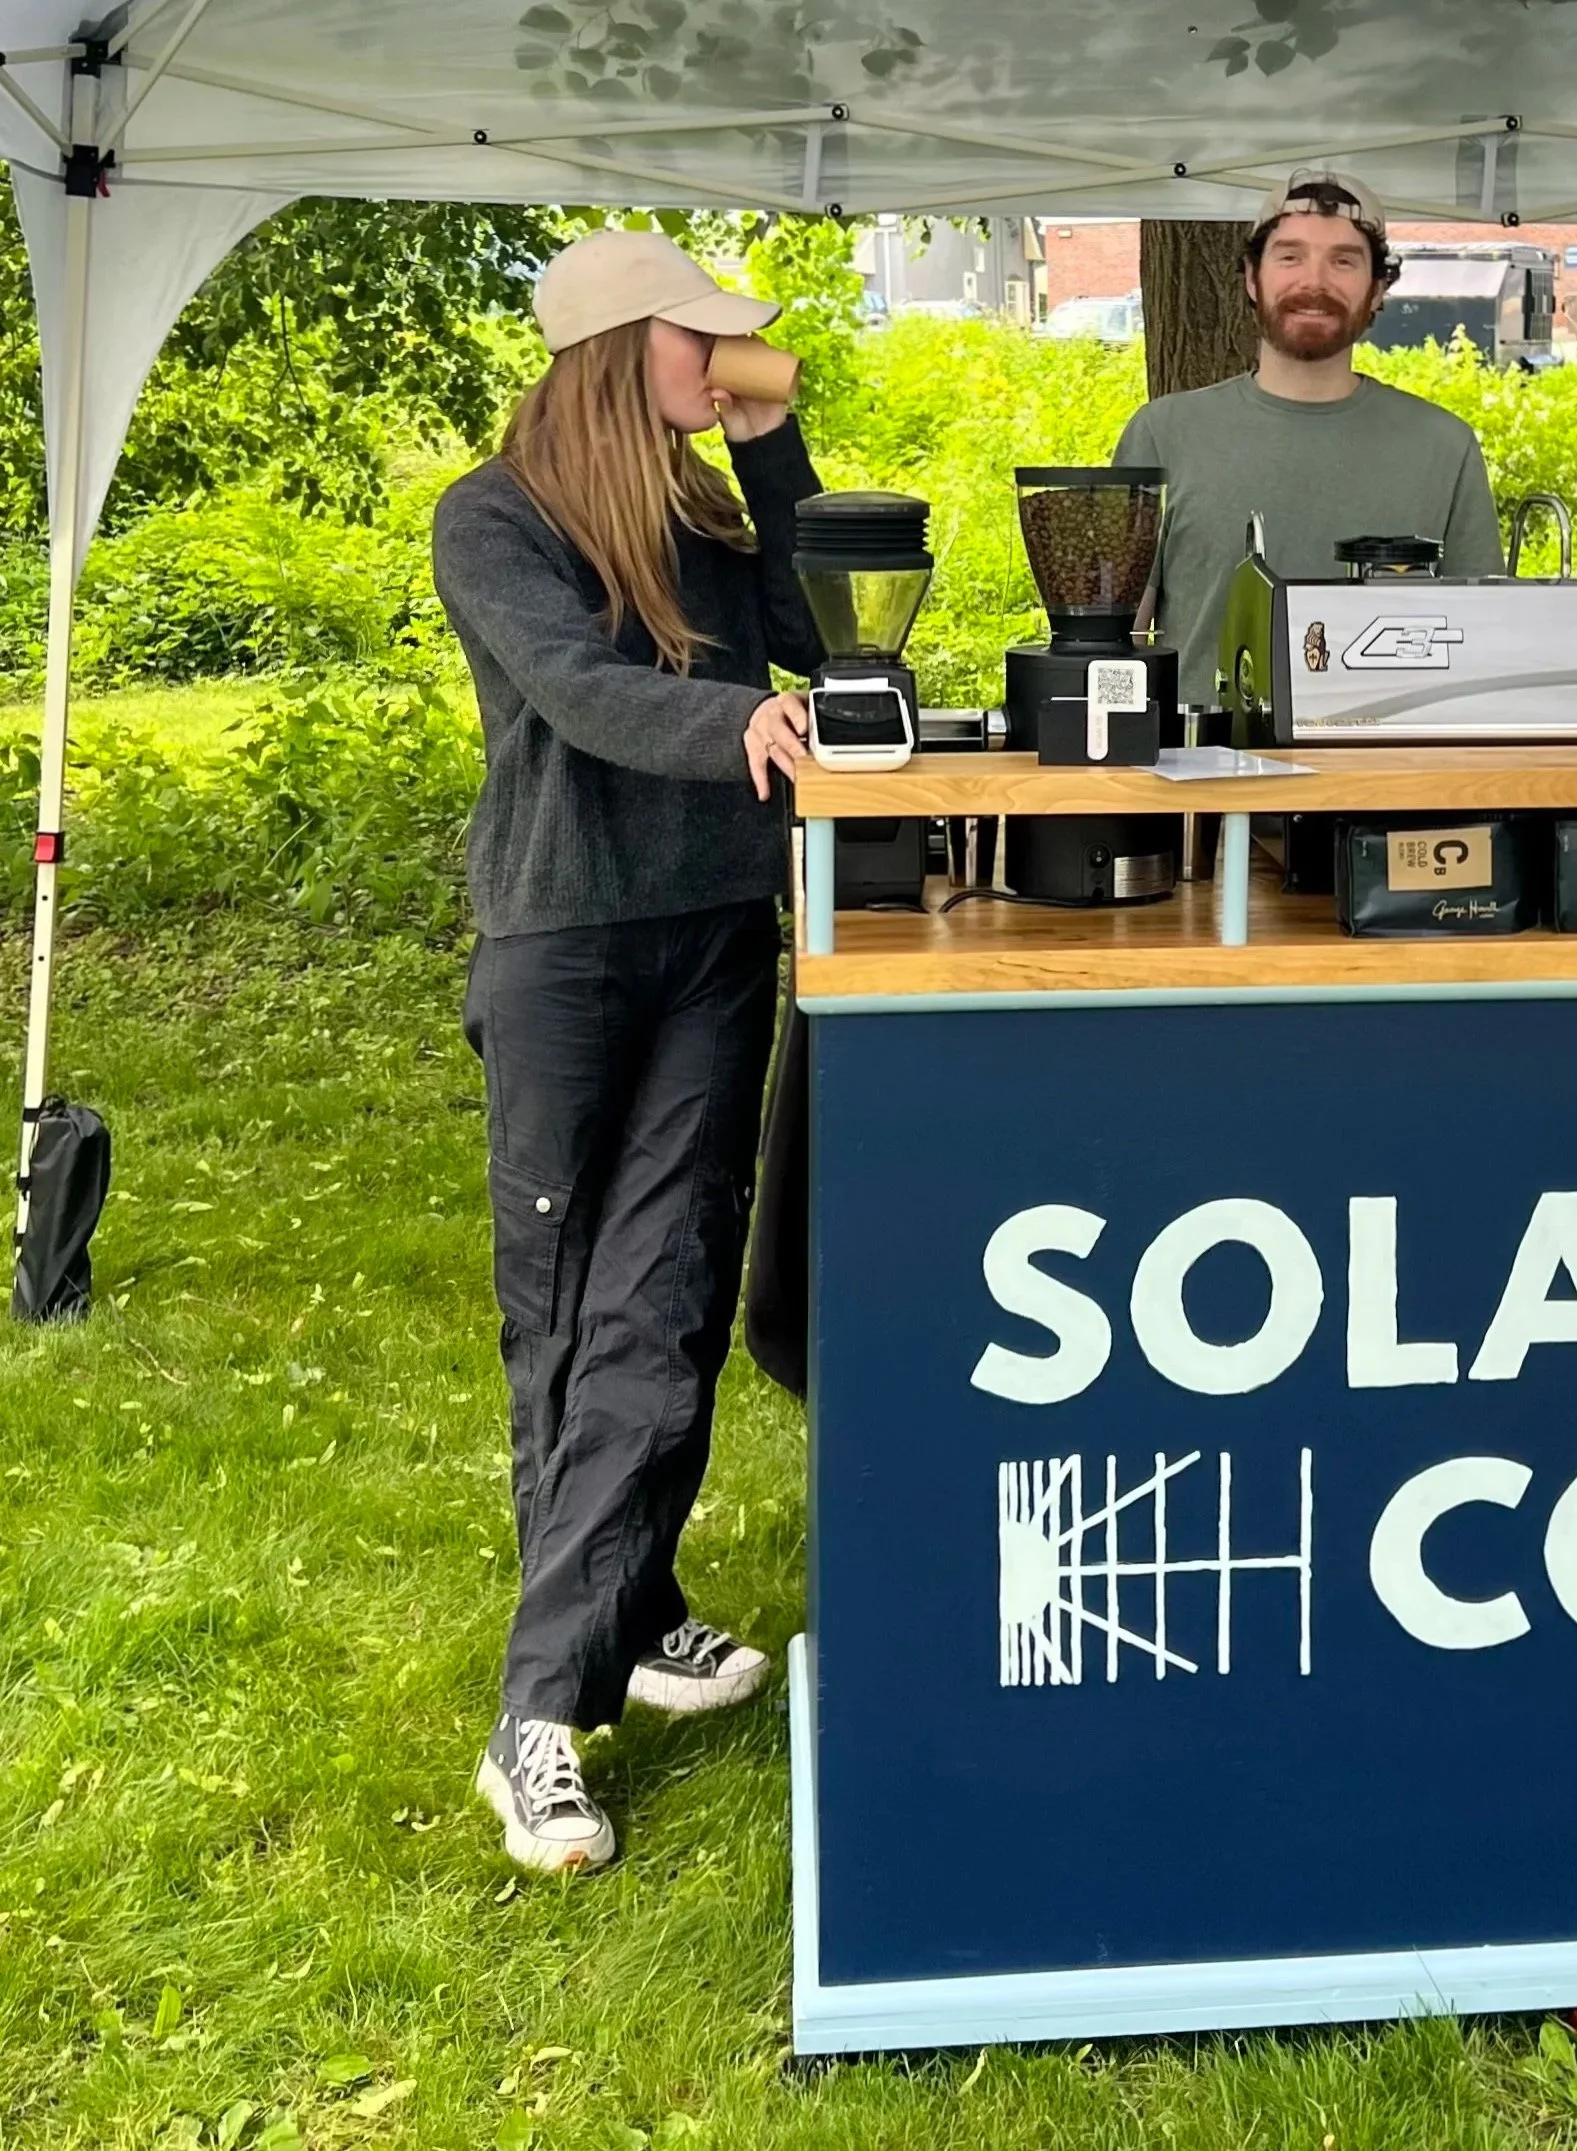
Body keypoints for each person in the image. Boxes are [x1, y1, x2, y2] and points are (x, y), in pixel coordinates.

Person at [431, 228, 819, 1874]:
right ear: (617, 348)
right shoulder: (494, 518)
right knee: (571, 1302)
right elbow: (579, 691)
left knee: (664, 1291)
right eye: (697, 336)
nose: (721, 354)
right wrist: (732, 722)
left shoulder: (707, 508)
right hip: (567, 943)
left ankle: (624, 1618)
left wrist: (772, 451)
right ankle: (548, 1705)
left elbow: (821, 633)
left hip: (717, 933)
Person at [1113, 169, 1503, 707]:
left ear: (1378, 290)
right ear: (1252, 279)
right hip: (1205, 757)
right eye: (1290, 257)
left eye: (1343, 261)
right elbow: (1116, 644)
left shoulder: (1445, 446)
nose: (1314, 282)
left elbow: (1481, 646)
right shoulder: (1162, 434)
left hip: (1392, 758)